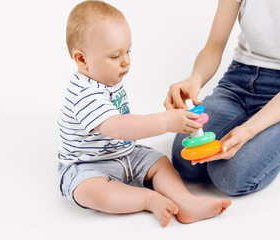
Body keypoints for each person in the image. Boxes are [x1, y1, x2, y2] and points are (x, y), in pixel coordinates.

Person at [57, 0, 231, 227]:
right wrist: (165, 122)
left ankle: (186, 202)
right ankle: (148, 199)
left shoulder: (106, 77)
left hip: (127, 153)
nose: (126, 61)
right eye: (115, 56)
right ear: (82, 59)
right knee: (89, 192)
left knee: (160, 162)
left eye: (128, 51)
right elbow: (117, 126)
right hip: (88, 165)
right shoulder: (83, 93)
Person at [165, 0, 280, 196]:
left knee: (230, 177)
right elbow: (213, 47)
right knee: (185, 160)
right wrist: (195, 79)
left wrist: (248, 130)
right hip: (237, 83)